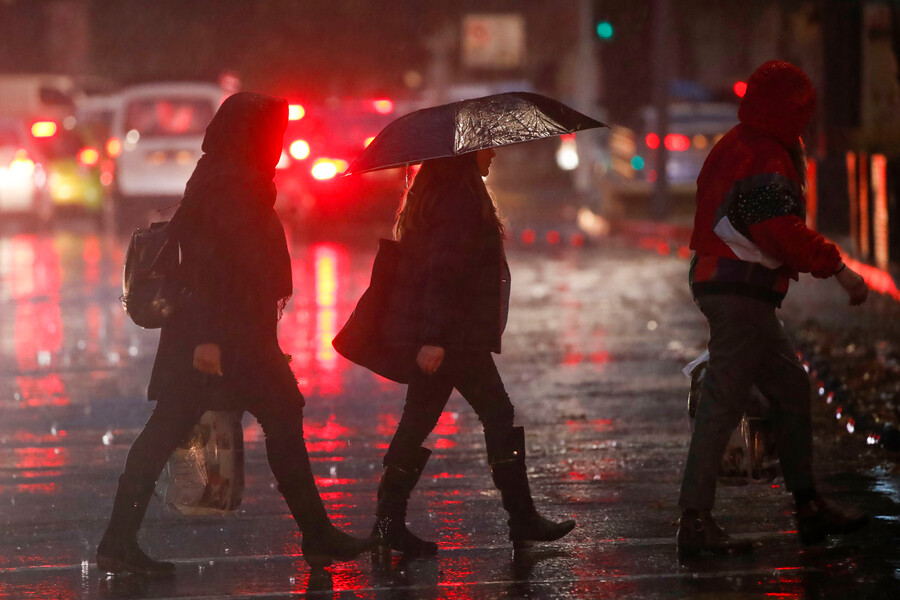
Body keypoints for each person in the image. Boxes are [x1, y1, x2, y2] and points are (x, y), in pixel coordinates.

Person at [96, 92, 373, 576]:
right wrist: (209, 340)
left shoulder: (230, 174)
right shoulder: (230, 182)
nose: (278, 145)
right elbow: (212, 268)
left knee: (230, 422)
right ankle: (316, 535)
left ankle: (316, 534)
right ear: (252, 136)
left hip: (234, 333)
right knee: (189, 428)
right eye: (273, 135)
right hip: (220, 337)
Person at [678, 61, 869, 557]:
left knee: (789, 387)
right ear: (790, 110)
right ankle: (695, 522)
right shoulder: (763, 153)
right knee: (723, 401)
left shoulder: (738, 144)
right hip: (739, 290)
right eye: (802, 112)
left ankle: (807, 507)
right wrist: (840, 269)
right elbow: (777, 228)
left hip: (734, 287)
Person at [371, 147, 576, 558]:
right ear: (464, 156)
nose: (494, 154)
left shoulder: (445, 192)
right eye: (487, 149)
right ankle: (521, 518)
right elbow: (443, 273)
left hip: (453, 335)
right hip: (454, 337)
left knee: (423, 421)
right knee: (492, 413)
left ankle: (389, 524)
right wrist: (434, 338)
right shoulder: (458, 200)